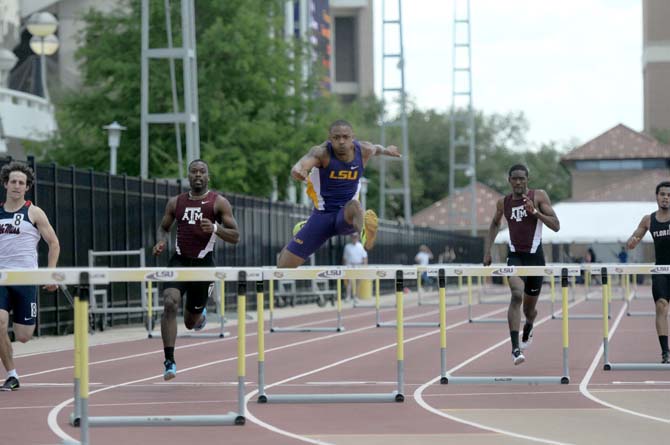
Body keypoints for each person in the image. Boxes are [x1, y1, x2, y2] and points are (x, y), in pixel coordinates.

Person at [152, 159, 240, 380]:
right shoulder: (176, 203)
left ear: (208, 177)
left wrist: (216, 228)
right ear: (188, 176)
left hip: (203, 265)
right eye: (194, 172)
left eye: (202, 172)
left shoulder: (218, 203)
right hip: (179, 262)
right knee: (170, 302)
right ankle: (169, 361)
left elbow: (235, 236)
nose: (198, 175)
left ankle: (199, 316)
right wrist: (161, 242)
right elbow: (163, 228)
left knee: (190, 323)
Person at [277, 120, 400, 269]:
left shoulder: (364, 150)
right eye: (336, 138)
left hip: (346, 216)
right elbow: (302, 164)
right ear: (330, 138)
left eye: (345, 137)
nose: (341, 141)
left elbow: (377, 149)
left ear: (352, 137)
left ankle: (365, 233)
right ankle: (306, 227)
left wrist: (388, 150)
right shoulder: (321, 153)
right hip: (322, 217)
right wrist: (298, 171)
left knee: (354, 205)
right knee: (284, 267)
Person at [483, 164, 560, 365]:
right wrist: (487, 251)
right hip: (515, 256)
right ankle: (515, 348)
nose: (518, 182)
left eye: (521, 178)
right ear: (509, 180)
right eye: (514, 178)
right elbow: (494, 224)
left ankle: (530, 324)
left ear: (527, 179)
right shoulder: (503, 203)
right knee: (516, 295)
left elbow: (556, 225)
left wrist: (535, 212)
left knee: (529, 310)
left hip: (535, 258)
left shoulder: (539, 196)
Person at [0, 162, 60, 391]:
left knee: (24, 335)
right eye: (13, 182)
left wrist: (51, 274)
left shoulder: (33, 212)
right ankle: (12, 374)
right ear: (5, 184)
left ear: (26, 188)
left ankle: (7, 345)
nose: (16, 186)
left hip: (25, 279)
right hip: (1, 278)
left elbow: (53, 243)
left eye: (21, 183)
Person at [626, 181, 670, 364]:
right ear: (657, 196)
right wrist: (633, 241)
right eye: (662, 194)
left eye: (669, 195)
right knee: (661, 305)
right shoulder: (648, 219)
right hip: (661, 269)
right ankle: (665, 352)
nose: (666, 198)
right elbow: (632, 240)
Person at [342, 233, 368, 300]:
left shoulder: (361, 246)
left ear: (358, 237)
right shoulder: (347, 246)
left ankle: (356, 296)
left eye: (355, 237)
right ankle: (348, 296)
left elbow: (364, 257)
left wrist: (365, 267)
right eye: (353, 237)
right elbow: (344, 258)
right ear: (351, 237)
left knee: (358, 281)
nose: (354, 238)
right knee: (349, 281)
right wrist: (344, 267)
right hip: (350, 265)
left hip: (358, 265)